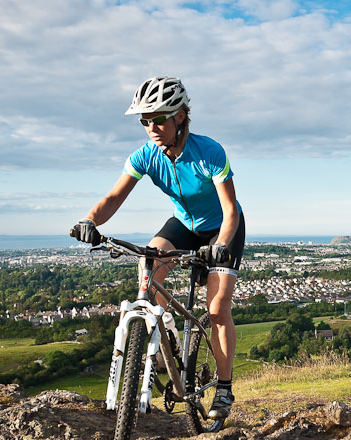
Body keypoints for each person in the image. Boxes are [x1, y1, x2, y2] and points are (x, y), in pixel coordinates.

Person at [74, 76, 244, 421]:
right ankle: (160, 326)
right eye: (145, 121)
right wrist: (90, 221)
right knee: (149, 260)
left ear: (180, 116)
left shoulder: (209, 152)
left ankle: (224, 388)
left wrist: (221, 246)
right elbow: (113, 197)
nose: (151, 127)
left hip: (221, 230)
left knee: (216, 309)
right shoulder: (145, 156)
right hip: (183, 224)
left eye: (159, 119)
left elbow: (229, 209)